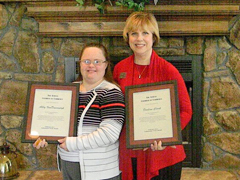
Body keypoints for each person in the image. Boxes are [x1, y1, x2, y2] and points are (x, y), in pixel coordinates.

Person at [113, 12, 192, 180]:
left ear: (153, 37)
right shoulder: (119, 69)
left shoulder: (168, 70)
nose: (139, 38)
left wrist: (167, 137)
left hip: (163, 156)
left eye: (145, 33)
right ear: (127, 37)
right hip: (130, 152)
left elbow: (186, 110)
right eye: (134, 33)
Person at [33, 43, 125, 180]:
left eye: (97, 62)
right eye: (86, 61)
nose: (91, 66)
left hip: (100, 169)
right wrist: (44, 136)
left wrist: (73, 144)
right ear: (80, 64)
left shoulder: (111, 92)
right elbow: (54, 122)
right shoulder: (67, 91)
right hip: (68, 163)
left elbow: (109, 134)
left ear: (106, 65)